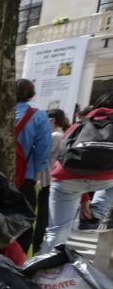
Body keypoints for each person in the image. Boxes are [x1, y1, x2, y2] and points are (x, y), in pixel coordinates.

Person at [40, 92, 113, 252]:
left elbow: (64, 155)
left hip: (66, 178)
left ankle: (42, 271)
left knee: (57, 230)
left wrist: (84, 196)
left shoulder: (79, 125)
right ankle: (95, 214)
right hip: (106, 179)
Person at [15, 78, 55, 252]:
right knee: (24, 221)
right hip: (25, 176)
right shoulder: (38, 116)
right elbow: (43, 148)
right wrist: (38, 171)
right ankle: (19, 260)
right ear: (31, 95)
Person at [31, 108, 71, 253]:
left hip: (46, 178)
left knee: (40, 213)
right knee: (43, 212)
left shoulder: (55, 135)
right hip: (50, 178)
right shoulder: (62, 134)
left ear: (52, 120)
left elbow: (43, 153)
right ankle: (38, 243)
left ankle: (36, 243)